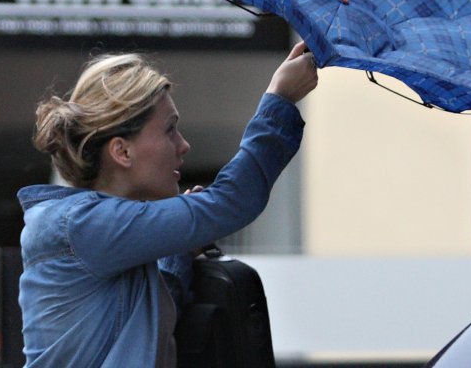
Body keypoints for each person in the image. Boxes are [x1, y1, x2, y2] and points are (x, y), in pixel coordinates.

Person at [17, 41, 318, 367]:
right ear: (122, 152)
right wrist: (280, 98)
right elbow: (231, 201)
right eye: (170, 129)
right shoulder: (80, 225)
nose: (183, 145)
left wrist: (179, 246)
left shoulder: (107, 235)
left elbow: (152, 320)